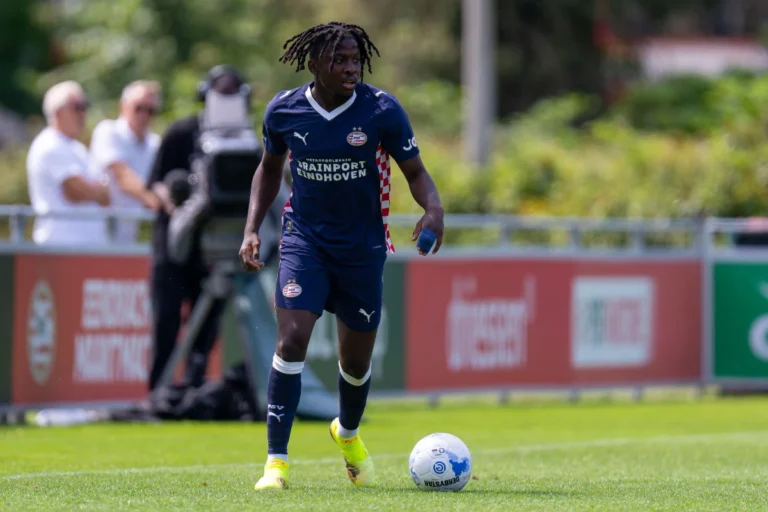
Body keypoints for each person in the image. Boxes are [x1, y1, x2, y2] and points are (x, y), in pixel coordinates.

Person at [239, 22, 444, 491]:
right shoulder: (284, 110)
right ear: (313, 64)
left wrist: (433, 210)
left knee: (354, 365)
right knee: (290, 342)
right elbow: (268, 171)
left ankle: (347, 434)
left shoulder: (381, 110)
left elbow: (415, 170)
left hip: (362, 250)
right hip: (303, 241)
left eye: (355, 60)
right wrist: (252, 229)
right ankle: (276, 464)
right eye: (339, 60)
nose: (350, 68)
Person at [143, 66, 244, 393]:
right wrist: (182, 206)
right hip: (174, 249)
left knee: (207, 327)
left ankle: (192, 388)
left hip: (216, 247)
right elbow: (156, 185)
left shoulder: (243, 143)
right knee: (167, 321)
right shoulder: (181, 132)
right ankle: (159, 392)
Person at [26, 80, 110, 245]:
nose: (83, 113)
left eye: (84, 106)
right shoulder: (49, 144)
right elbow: (77, 192)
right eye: (77, 107)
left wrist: (97, 191)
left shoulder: (77, 148)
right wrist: (97, 190)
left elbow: (106, 197)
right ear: (57, 112)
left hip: (85, 248)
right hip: (60, 248)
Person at [89, 80, 161, 243]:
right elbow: (123, 177)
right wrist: (159, 203)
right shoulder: (108, 131)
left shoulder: (154, 144)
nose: (144, 115)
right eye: (138, 108)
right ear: (123, 106)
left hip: (128, 236)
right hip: (97, 235)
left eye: (150, 110)